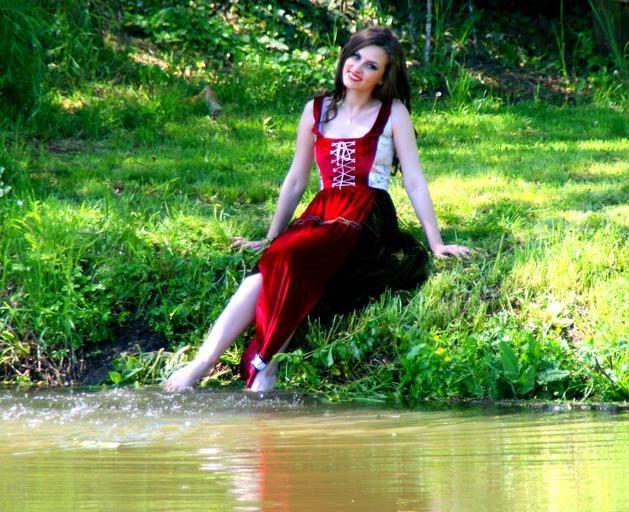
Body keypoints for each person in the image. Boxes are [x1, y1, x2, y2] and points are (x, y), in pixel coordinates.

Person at [164, 26, 471, 393]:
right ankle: (202, 363)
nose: (357, 68)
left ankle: (266, 363)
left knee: (294, 257)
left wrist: (436, 242)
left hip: (368, 212)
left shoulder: (393, 113)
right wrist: (271, 236)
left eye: (371, 66)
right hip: (323, 210)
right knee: (273, 261)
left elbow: (415, 180)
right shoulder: (316, 110)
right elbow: (296, 180)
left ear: (383, 77)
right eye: (355, 56)